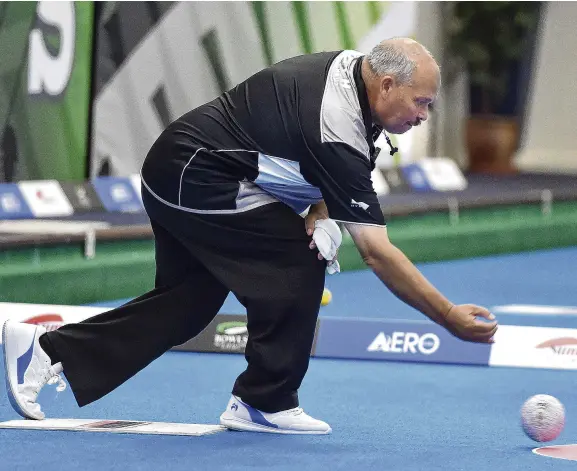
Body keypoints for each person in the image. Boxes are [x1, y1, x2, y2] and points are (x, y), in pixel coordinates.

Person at [2, 38, 498, 435]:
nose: (423, 116)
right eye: (422, 103)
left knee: (189, 304)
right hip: (197, 176)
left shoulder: (358, 74)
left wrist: (323, 212)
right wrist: (447, 316)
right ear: (387, 85)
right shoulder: (338, 120)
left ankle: (47, 351)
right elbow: (376, 251)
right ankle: (265, 401)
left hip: (183, 168)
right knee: (299, 264)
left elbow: (328, 165)